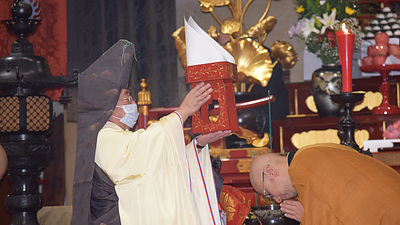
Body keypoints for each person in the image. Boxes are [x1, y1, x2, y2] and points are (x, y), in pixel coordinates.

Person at [72, 40, 231, 225]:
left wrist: (198, 145)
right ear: (109, 108)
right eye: (127, 97)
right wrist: (183, 112)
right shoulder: (103, 137)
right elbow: (144, 152)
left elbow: (162, 165)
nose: (133, 101)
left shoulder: (120, 137)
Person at [249, 143, 400, 224]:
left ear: (270, 172)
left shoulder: (302, 170)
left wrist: (307, 217)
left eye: (268, 194)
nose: (278, 200)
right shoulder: (312, 151)